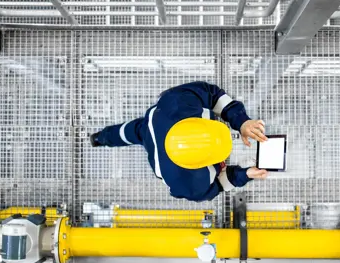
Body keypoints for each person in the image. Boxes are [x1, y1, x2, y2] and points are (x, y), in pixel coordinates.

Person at [90, 82, 269, 201]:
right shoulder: (189, 184)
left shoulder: (179, 102)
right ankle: (99, 138)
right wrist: (245, 175)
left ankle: (99, 138)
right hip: (157, 144)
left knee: (129, 132)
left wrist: (242, 121)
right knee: (132, 131)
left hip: (155, 123)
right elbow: (219, 185)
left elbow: (213, 94)